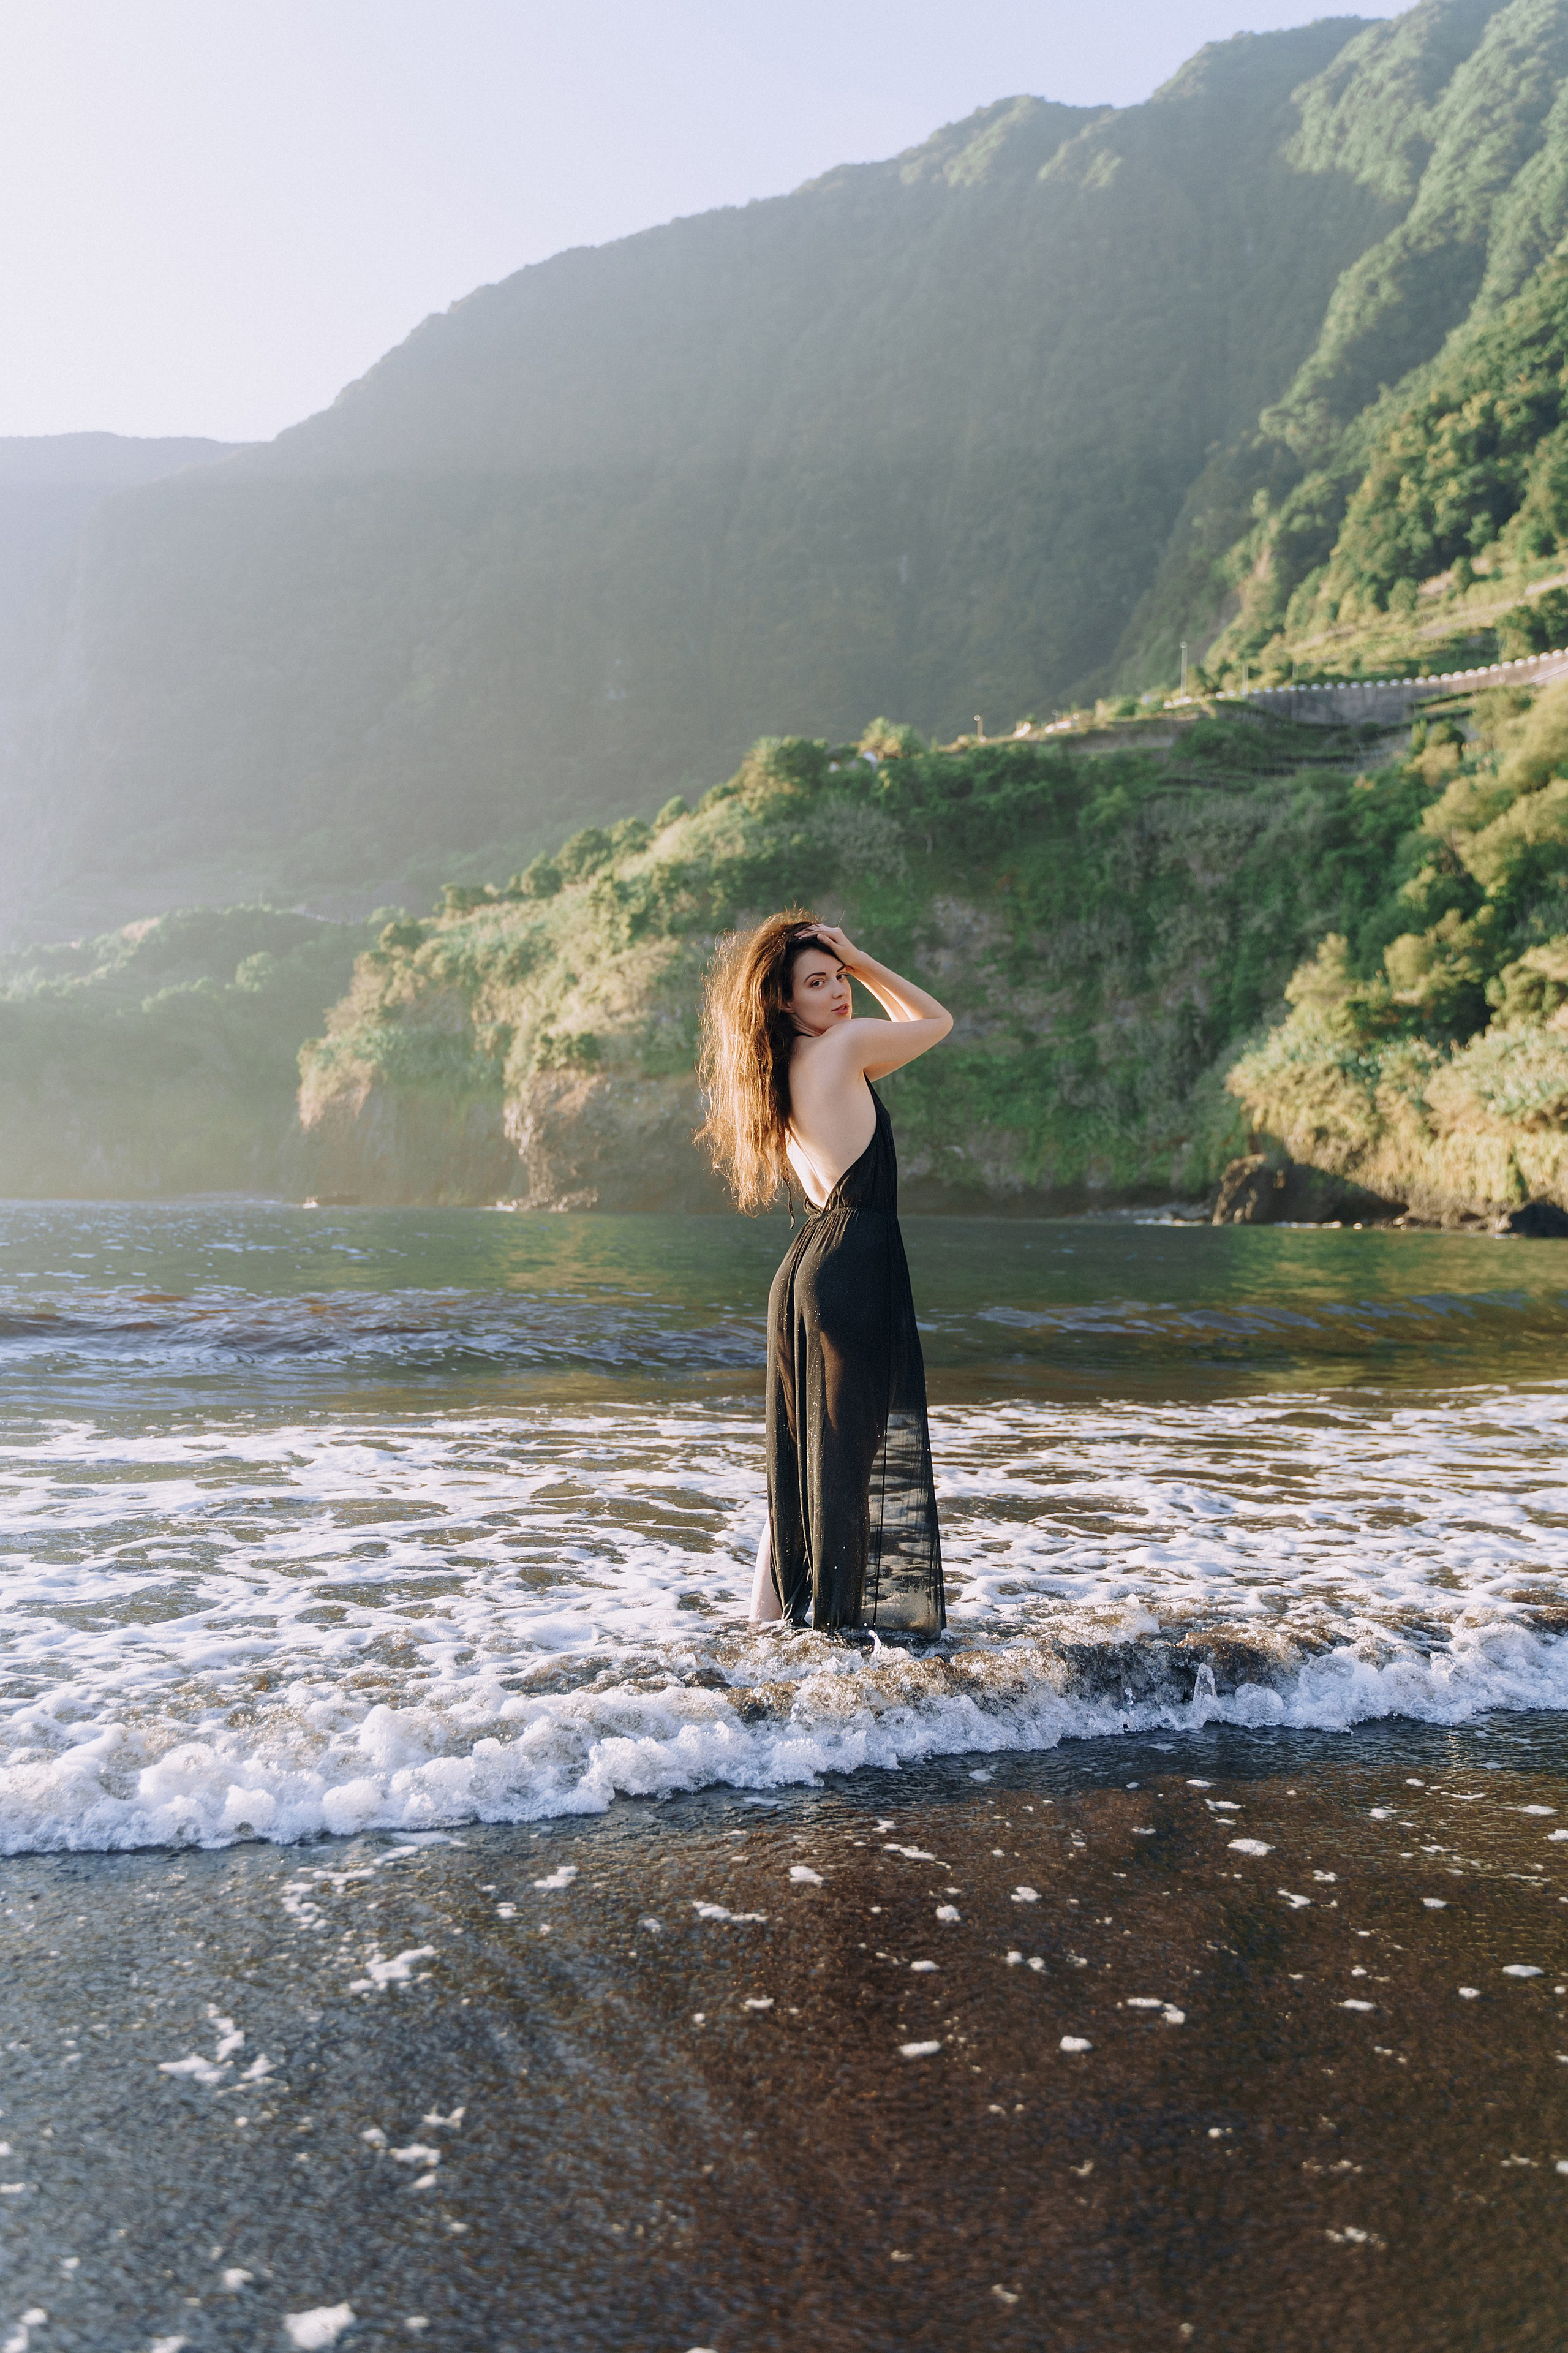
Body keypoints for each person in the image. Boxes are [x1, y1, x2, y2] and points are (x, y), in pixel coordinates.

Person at [696, 910, 952, 1633]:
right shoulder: (845, 1046)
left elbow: (912, 1028)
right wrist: (865, 957)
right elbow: (934, 1020)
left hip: (803, 1267)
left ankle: (763, 1632)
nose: (839, 992)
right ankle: (836, 1652)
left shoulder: (779, 1072)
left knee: (798, 1470)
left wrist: (843, 964)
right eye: (818, 981)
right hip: (854, 1266)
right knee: (845, 1475)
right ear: (784, 1000)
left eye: (840, 978)